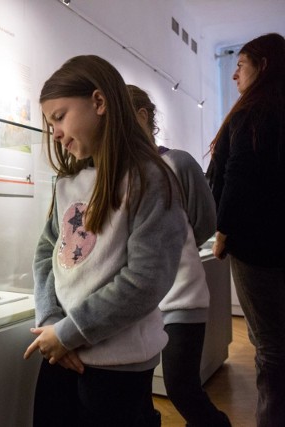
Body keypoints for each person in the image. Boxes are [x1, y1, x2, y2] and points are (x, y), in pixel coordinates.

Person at [23, 55, 188, 427]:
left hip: (118, 365)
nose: (56, 134)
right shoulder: (67, 183)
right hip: (61, 353)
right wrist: (51, 321)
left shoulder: (152, 180)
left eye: (60, 117)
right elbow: (48, 252)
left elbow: (145, 280)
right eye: (50, 125)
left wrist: (69, 332)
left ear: (99, 103)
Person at [129, 84, 231, 427]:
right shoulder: (120, 173)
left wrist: (175, 248)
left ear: (142, 117)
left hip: (179, 298)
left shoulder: (179, 163)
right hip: (137, 302)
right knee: (138, 391)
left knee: (181, 387)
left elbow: (203, 222)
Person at [207, 32, 285, 427]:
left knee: (269, 347)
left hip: (256, 245)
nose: (235, 75)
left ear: (263, 65)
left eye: (240, 65)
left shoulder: (253, 112)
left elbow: (238, 172)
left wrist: (222, 230)